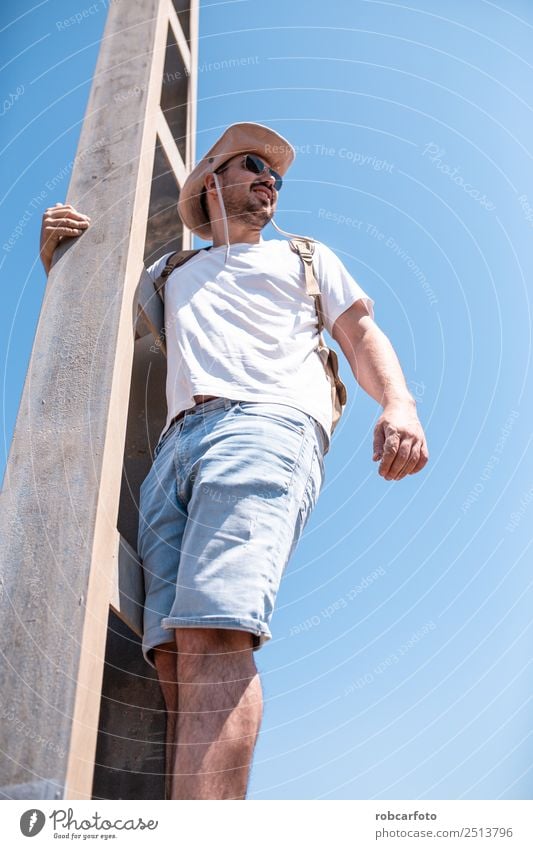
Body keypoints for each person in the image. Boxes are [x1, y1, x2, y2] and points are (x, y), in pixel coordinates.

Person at [39, 122, 428, 801]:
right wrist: (59, 261)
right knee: (170, 657)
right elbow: (93, 321)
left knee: (217, 629)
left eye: (276, 176)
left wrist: (399, 404)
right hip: (174, 451)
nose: (270, 181)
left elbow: (361, 334)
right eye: (254, 165)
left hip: (265, 422)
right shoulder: (168, 274)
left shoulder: (306, 257)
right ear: (209, 180)